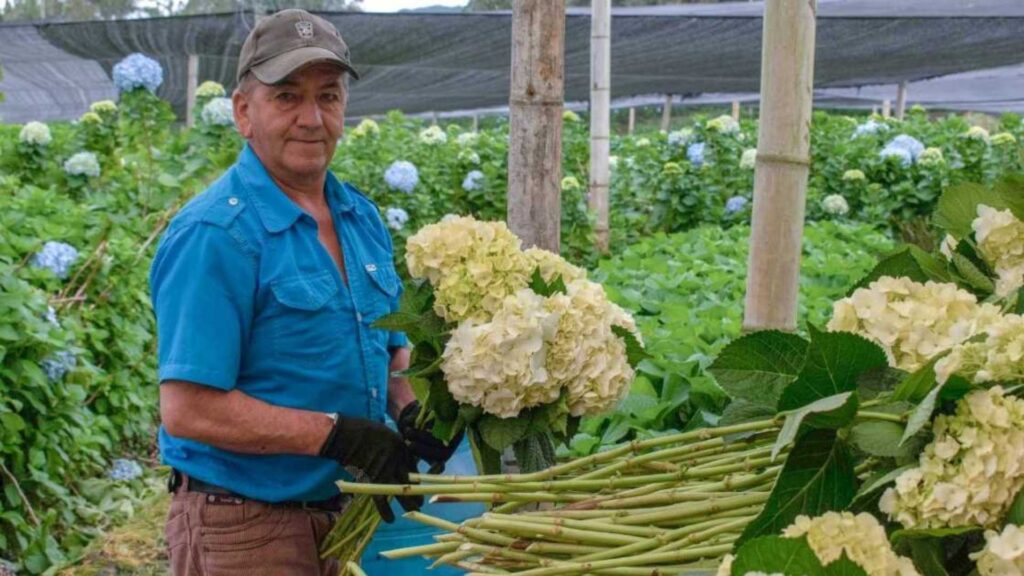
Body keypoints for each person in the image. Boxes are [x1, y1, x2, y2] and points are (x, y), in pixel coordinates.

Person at [149, 9, 459, 575]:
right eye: (287, 96)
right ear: (245, 112)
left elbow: (386, 347)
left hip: (341, 516)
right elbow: (187, 409)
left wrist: (410, 406)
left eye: (329, 96)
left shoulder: (359, 217)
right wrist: (339, 437)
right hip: (244, 525)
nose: (311, 118)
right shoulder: (217, 235)